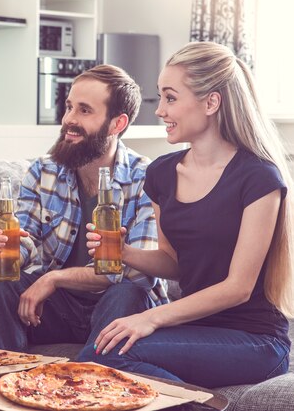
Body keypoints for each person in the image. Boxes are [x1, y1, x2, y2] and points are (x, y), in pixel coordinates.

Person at [81, 41, 293, 388]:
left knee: (104, 356)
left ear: (211, 102)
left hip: (255, 340)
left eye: (170, 97)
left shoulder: (258, 177)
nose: (160, 110)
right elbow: (174, 262)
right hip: (196, 330)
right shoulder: (162, 174)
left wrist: (151, 318)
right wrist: (123, 253)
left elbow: (238, 288)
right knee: (101, 357)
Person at [0, 64, 168, 353]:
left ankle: (88, 377)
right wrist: (6, 245)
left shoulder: (147, 177)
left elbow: (138, 274)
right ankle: (6, 375)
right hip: (58, 308)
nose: (69, 119)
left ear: (117, 124)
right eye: (69, 107)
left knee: (129, 292)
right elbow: (27, 242)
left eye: (84, 110)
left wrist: (54, 278)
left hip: (114, 308)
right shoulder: (43, 171)